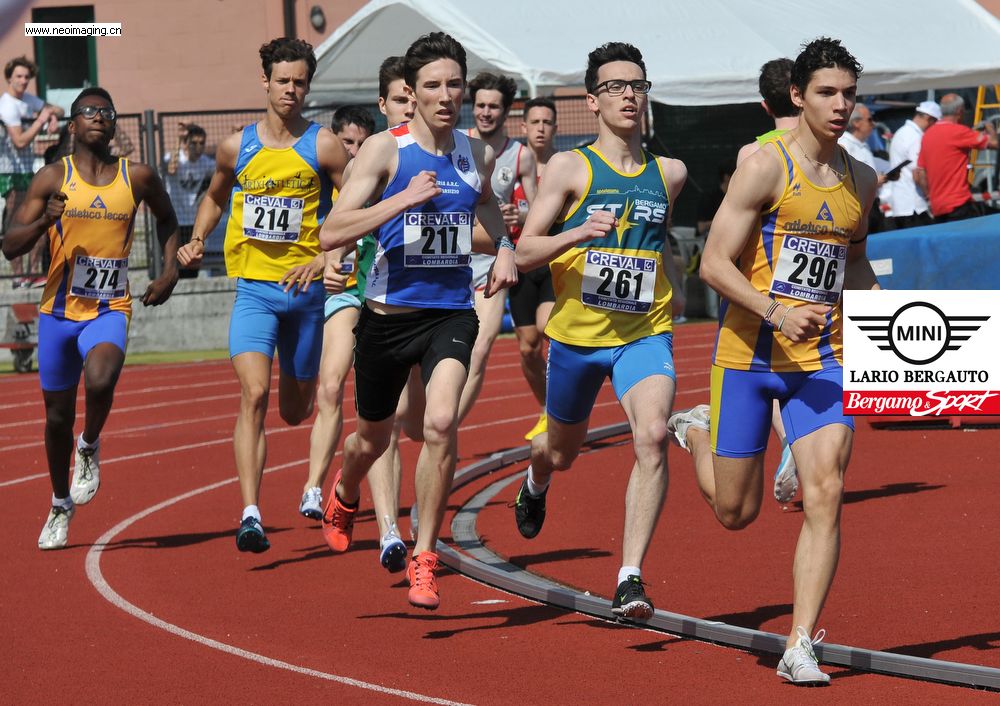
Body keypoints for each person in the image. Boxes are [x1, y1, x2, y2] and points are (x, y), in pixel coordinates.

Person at [667, 37, 880, 684]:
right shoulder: (763, 167)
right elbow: (711, 265)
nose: (840, 105)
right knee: (735, 513)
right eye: (826, 93)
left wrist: (889, 321)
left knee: (827, 490)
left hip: (824, 359)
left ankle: (798, 645)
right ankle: (698, 431)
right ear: (797, 96)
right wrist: (776, 311)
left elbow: (856, 263)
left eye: (848, 93)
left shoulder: (862, 178)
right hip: (748, 358)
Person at [317, 32, 517, 610]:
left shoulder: (477, 152)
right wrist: (399, 202)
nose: (447, 95)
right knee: (370, 437)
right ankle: (346, 487)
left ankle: (424, 556)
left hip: (450, 311)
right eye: (433, 85)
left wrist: (502, 246)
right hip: (386, 316)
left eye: (455, 83)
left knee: (441, 421)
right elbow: (333, 230)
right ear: (412, 92)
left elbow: (483, 209)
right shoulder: (385, 150)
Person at [512, 42, 686, 622]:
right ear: (592, 100)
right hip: (579, 338)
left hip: (645, 331)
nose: (629, 95)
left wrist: (674, 281)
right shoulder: (571, 167)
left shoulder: (671, 173)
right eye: (615, 87)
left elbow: (657, 246)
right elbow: (527, 248)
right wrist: (577, 233)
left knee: (653, 434)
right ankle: (535, 482)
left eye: (637, 84)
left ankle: (629, 577)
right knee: (559, 453)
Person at [177, 37, 348, 553]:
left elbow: (354, 210)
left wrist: (326, 257)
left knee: (295, 410)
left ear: (308, 86)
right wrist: (197, 237)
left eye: (300, 81)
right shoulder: (236, 146)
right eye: (282, 80)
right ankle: (250, 511)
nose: (291, 90)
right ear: (265, 82)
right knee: (252, 393)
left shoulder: (325, 147)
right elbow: (214, 196)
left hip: (308, 297)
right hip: (254, 291)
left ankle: (297, 437)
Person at [2, 87, 180, 549]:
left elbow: (167, 219)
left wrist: (169, 272)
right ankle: (60, 503)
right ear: (73, 124)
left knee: (100, 380)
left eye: (107, 112)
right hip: (58, 313)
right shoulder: (50, 178)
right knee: (56, 418)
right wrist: (45, 223)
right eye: (89, 111)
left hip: (108, 307)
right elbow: (10, 245)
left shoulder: (137, 176)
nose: (99, 116)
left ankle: (91, 444)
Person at [299, 104, 374, 521]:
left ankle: (350, 480)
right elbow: (323, 239)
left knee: (377, 409)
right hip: (343, 293)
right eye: (348, 143)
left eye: (363, 144)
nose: (354, 152)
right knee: (329, 387)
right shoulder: (327, 186)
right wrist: (323, 263)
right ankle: (312, 486)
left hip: (380, 296)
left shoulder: (383, 180)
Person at [735, 57, 802, 505]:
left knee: (771, 375)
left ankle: (791, 442)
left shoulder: (753, 155)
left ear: (764, 105)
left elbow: (734, 232)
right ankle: (802, 440)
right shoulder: (831, 150)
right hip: (816, 284)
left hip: (766, 284)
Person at [459, 72, 537, 426]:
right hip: (450, 258)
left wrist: (517, 212)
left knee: (479, 350)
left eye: (493, 107)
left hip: (491, 263)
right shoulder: (456, 143)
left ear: (506, 112)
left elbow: (537, 212)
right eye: (480, 106)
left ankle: (444, 429)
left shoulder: (521, 156)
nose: (486, 112)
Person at [510, 97, 558, 441]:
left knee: (549, 329)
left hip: (555, 262)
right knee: (528, 347)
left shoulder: (566, 165)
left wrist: (530, 217)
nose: (541, 128)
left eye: (547, 122)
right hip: (520, 263)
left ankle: (564, 408)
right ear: (523, 127)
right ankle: (546, 408)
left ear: (555, 128)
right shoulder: (510, 165)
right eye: (535, 122)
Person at [1, 56, 62, 288]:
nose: (23, 81)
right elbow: (19, 142)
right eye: (18, 76)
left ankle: (34, 272)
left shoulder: (27, 100)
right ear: (9, 78)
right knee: (16, 224)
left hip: (28, 170)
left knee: (38, 219)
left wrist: (52, 115)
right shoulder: (7, 105)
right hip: (9, 173)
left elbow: (57, 107)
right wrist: (41, 122)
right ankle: (18, 276)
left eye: (27, 77)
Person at [915, 93, 998, 223]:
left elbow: (920, 173)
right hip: (958, 204)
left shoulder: (927, 135)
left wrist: (929, 196)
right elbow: (994, 143)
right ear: (960, 111)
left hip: (938, 207)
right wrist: (990, 128)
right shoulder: (959, 131)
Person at [163, 123, 214, 278]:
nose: (198, 147)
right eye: (193, 143)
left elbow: (225, 171)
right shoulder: (176, 158)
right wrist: (179, 139)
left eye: (201, 143)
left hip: (193, 222)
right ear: (186, 144)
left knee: (192, 266)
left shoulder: (206, 162)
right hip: (174, 221)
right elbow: (171, 169)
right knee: (172, 267)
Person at [886, 101, 940, 229]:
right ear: (928, 119)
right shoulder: (915, 137)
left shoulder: (903, 132)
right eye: (935, 122)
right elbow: (918, 172)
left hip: (902, 204)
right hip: (913, 205)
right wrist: (929, 196)